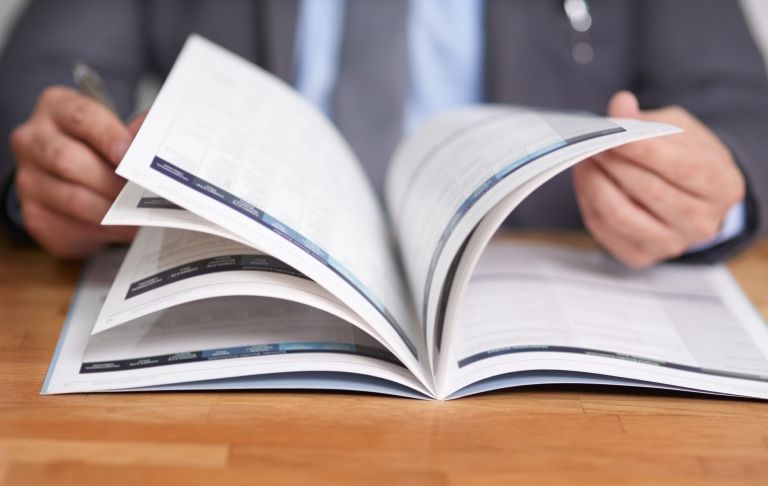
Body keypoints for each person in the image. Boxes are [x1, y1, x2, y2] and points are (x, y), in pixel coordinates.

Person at [0, 0, 766, 268]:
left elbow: (742, 110)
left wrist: (714, 189)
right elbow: (40, 71)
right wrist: (48, 167)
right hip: (233, 289)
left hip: (551, 314)